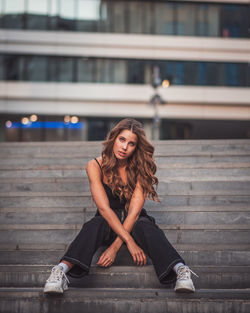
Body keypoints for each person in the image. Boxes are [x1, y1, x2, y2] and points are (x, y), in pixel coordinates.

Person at [43, 118, 197, 294]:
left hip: (134, 220)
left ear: (136, 148)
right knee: (94, 224)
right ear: (113, 138)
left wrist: (115, 247)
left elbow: (134, 212)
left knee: (146, 226)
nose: (124, 147)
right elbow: (104, 209)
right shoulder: (95, 165)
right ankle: (60, 271)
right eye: (122, 140)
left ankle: (181, 272)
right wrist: (128, 242)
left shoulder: (141, 168)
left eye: (131, 144)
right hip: (108, 221)